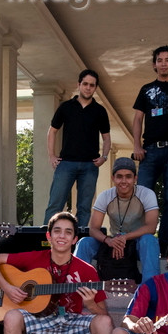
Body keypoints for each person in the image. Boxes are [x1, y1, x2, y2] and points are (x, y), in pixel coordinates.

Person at [132, 45, 168, 254]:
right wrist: (136, 145)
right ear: (154, 64)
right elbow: (138, 119)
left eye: (167, 60)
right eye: (160, 60)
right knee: (141, 197)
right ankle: (138, 244)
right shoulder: (146, 89)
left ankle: (166, 245)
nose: (163, 63)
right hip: (149, 151)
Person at [74, 157, 160, 283]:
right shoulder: (105, 196)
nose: (124, 181)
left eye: (128, 176)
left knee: (150, 240)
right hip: (112, 241)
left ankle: (149, 290)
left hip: (137, 242)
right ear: (113, 178)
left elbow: (151, 227)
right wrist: (108, 240)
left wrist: (124, 237)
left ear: (135, 178)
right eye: (119, 176)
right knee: (84, 242)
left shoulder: (146, 194)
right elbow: (93, 229)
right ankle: (75, 288)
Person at [43, 70, 111, 228]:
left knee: (84, 208)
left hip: (90, 166)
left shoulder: (100, 111)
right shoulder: (66, 107)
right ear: (79, 84)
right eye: (85, 84)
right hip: (66, 163)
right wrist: (51, 155)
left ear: (95, 88)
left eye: (92, 85)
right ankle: (46, 243)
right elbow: (52, 131)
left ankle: (77, 243)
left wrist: (105, 157)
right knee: (55, 204)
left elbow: (106, 137)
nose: (88, 88)